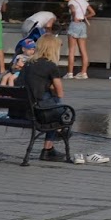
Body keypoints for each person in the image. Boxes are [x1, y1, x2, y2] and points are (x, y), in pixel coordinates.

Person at [22, 34, 71, 162]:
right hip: (37, 113)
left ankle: (52, 144)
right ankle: (49, 147)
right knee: (63, 111)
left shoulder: (28, 63)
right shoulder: (51, 66)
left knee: (54, 105)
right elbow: (60, 93)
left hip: (21, 110)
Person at [66, 0, 92, 79]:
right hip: (82, 25)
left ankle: (70, 73)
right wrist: (85, 17)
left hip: (74, 24)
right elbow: (93, 12)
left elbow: (72, 9)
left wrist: (74, 17)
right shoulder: (84, 1)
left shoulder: (71, 1)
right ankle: (84, 73)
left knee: (72, 50)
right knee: (83, 51)